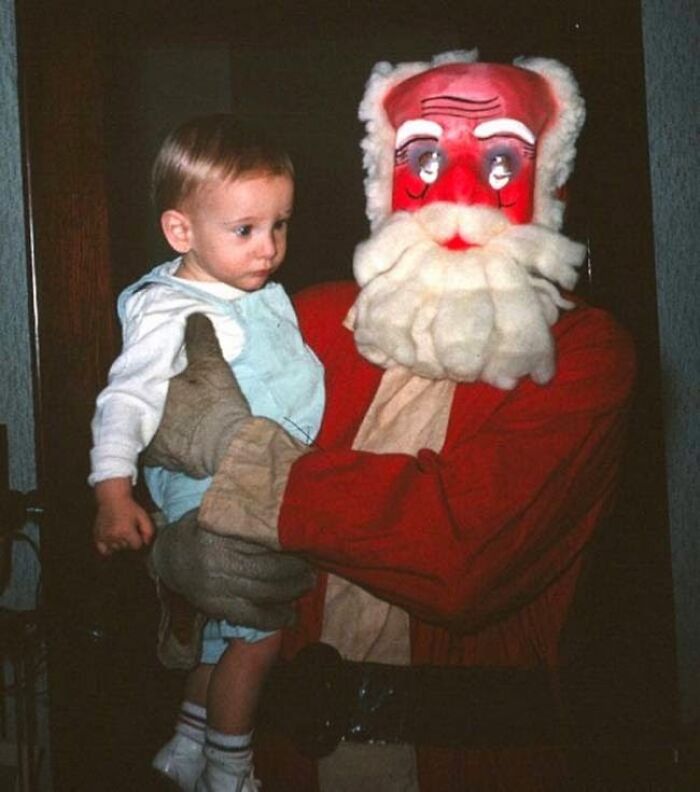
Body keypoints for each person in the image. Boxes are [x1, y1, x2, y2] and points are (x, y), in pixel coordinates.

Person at [144, 52, 637, 792]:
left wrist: (245, 463)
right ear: (384, 181)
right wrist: (176, 570)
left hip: (474, 766)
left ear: (551, 181)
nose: (458, 194)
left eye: (501, 158)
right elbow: (176, 478)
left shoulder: (582, 355)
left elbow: (460, 550)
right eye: (426, 155)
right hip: (277, 762)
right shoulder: (301, 322)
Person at [88, 114, 324, 792]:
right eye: (245, 230)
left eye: (279, 224)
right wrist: (111, 490)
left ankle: (187, 746)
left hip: (261, 481)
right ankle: (230, 769)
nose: (268, 247)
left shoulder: (258, 295)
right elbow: (126, 400)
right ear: (181, 231)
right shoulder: (173, 308)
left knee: (223, 638)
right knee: (258, 633)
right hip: (216, 488)